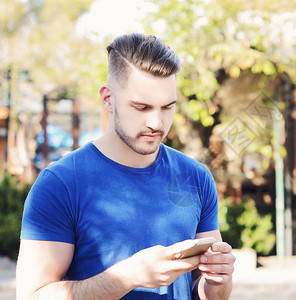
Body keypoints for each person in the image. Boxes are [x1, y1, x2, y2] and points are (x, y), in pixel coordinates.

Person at [16, 33, 235, 300]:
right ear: (108, 99)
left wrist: (217, 282)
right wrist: (128, 277)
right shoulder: (59, 184)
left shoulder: (195, 177)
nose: (157, 122)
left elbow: (205, 292)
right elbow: (32, 295)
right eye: (141, 107)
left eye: (167, 107)